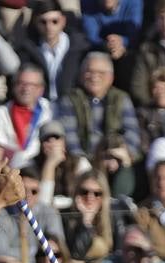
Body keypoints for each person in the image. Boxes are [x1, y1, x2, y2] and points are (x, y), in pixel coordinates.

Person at [55, 52, 141, 198]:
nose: (94, 76)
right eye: (89, 72)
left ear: (111, 77)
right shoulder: (70, 99)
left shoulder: (121, 98)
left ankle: (120, 202)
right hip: (82, 162)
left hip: (112, 160)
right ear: (81, 75)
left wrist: (118, 155)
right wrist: (82, 161)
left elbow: (132, 134)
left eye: (101, 72)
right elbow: (69, 136)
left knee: (127, 162)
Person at [17, 0, 88, 104]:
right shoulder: (28, 50)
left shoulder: (80, 48)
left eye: (55, 21)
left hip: (73, 105)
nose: (48, 27)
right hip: (39, 105)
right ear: (36, 22)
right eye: (43, 22)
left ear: (63, 21)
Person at [0, 66, 53, 166]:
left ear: (41, 89)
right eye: (21, 83)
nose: (26, 89)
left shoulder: (51, 110)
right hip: (10, 168)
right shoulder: (0, 112)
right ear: (14, 86)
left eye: (32, 85)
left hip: (42, 165)